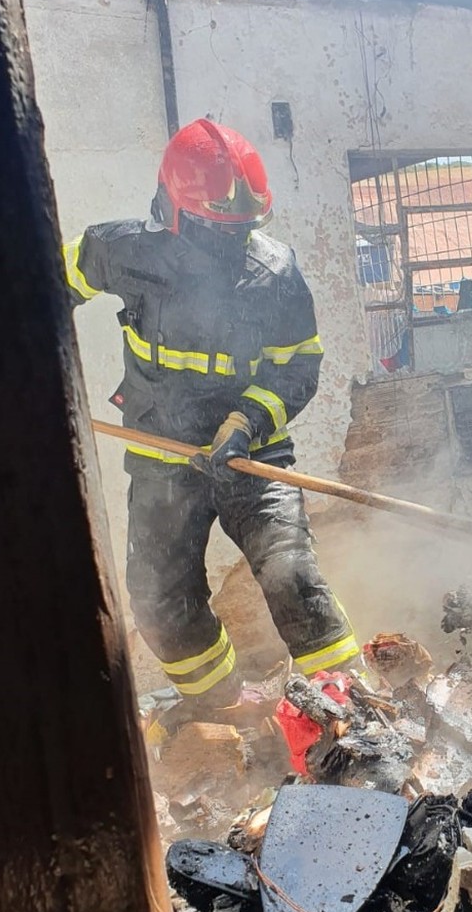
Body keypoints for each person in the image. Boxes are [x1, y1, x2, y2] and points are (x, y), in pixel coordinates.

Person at [65, 118, 360, 726]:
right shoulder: (122, 251)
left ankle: (353, 710)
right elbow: (40, 287)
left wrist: (246, 421)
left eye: (245, 226)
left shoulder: (276, 273)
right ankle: (224, 707)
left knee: (291, 576)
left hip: (253, 456)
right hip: (162, 460)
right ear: (176, 212)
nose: (236, 239)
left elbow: (299, 362)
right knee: (157, 600)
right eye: (220, 227)